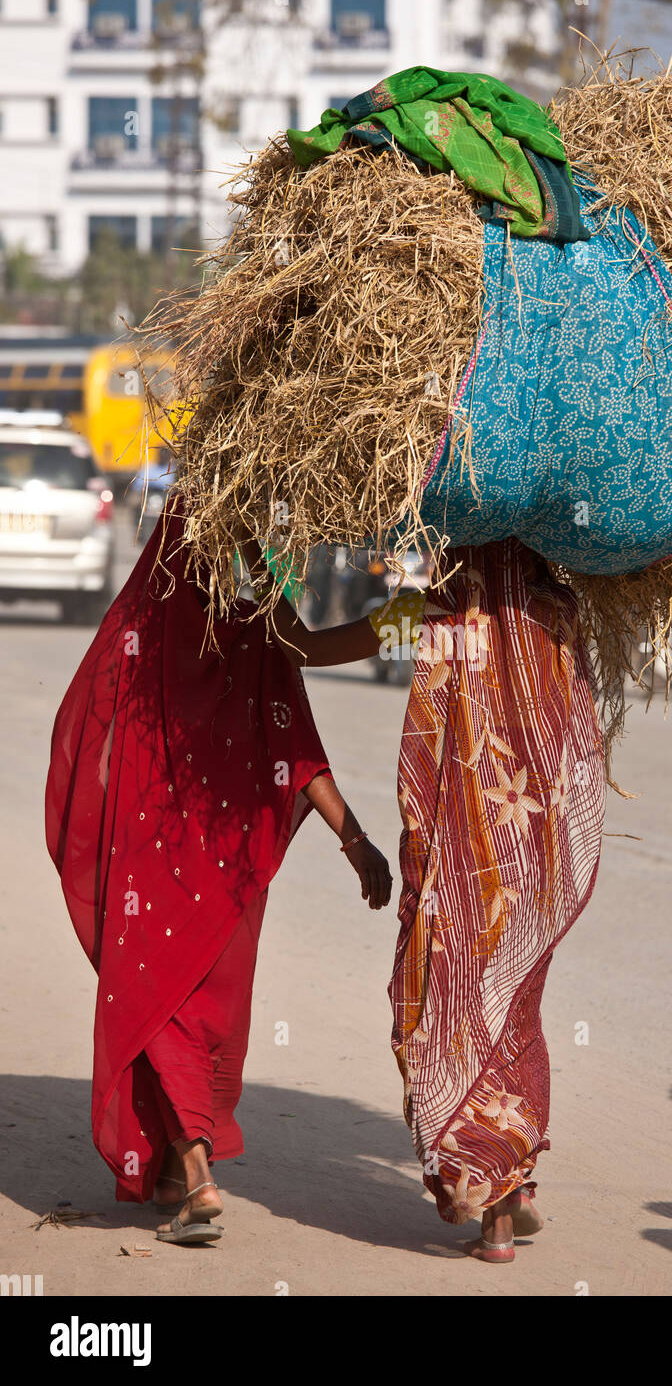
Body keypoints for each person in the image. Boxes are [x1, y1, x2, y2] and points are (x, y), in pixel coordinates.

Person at [242, 533, 605, 1263]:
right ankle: (512, 1184)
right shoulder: (559, 612)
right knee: (515, 1009)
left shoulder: (427, 613)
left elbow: (305, 649)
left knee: (440, 1008)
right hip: (539, 863)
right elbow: (583, 747)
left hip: (456, 869)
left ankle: (486, 1190)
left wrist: (255, 555)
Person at [45, 502, 391, 1246]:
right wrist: (354, 840)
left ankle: (193, 1175)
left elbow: (85, 739)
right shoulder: (253, 630)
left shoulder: (143, 643)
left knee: (158, 999)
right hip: (230, 874)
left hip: (155, 860)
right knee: (203, 1018)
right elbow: (300, 696)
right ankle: (190, 1169)